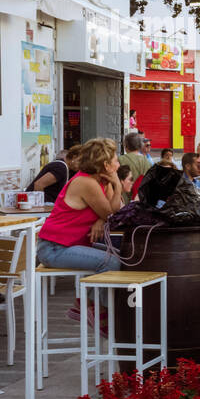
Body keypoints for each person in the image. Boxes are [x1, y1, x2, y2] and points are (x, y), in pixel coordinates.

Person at [36, 138, 125, 322]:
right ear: (106, 164)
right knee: (112, 263)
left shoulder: (100, 181)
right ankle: (93, 308)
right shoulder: (86, 182)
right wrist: (118, 187)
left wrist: (102, 217)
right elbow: (112, 215)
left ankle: (87, 305)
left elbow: (116, 212)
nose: (119, 164)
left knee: (121, 256)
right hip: (54, 248)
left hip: (68, 245)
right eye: (116, 160)